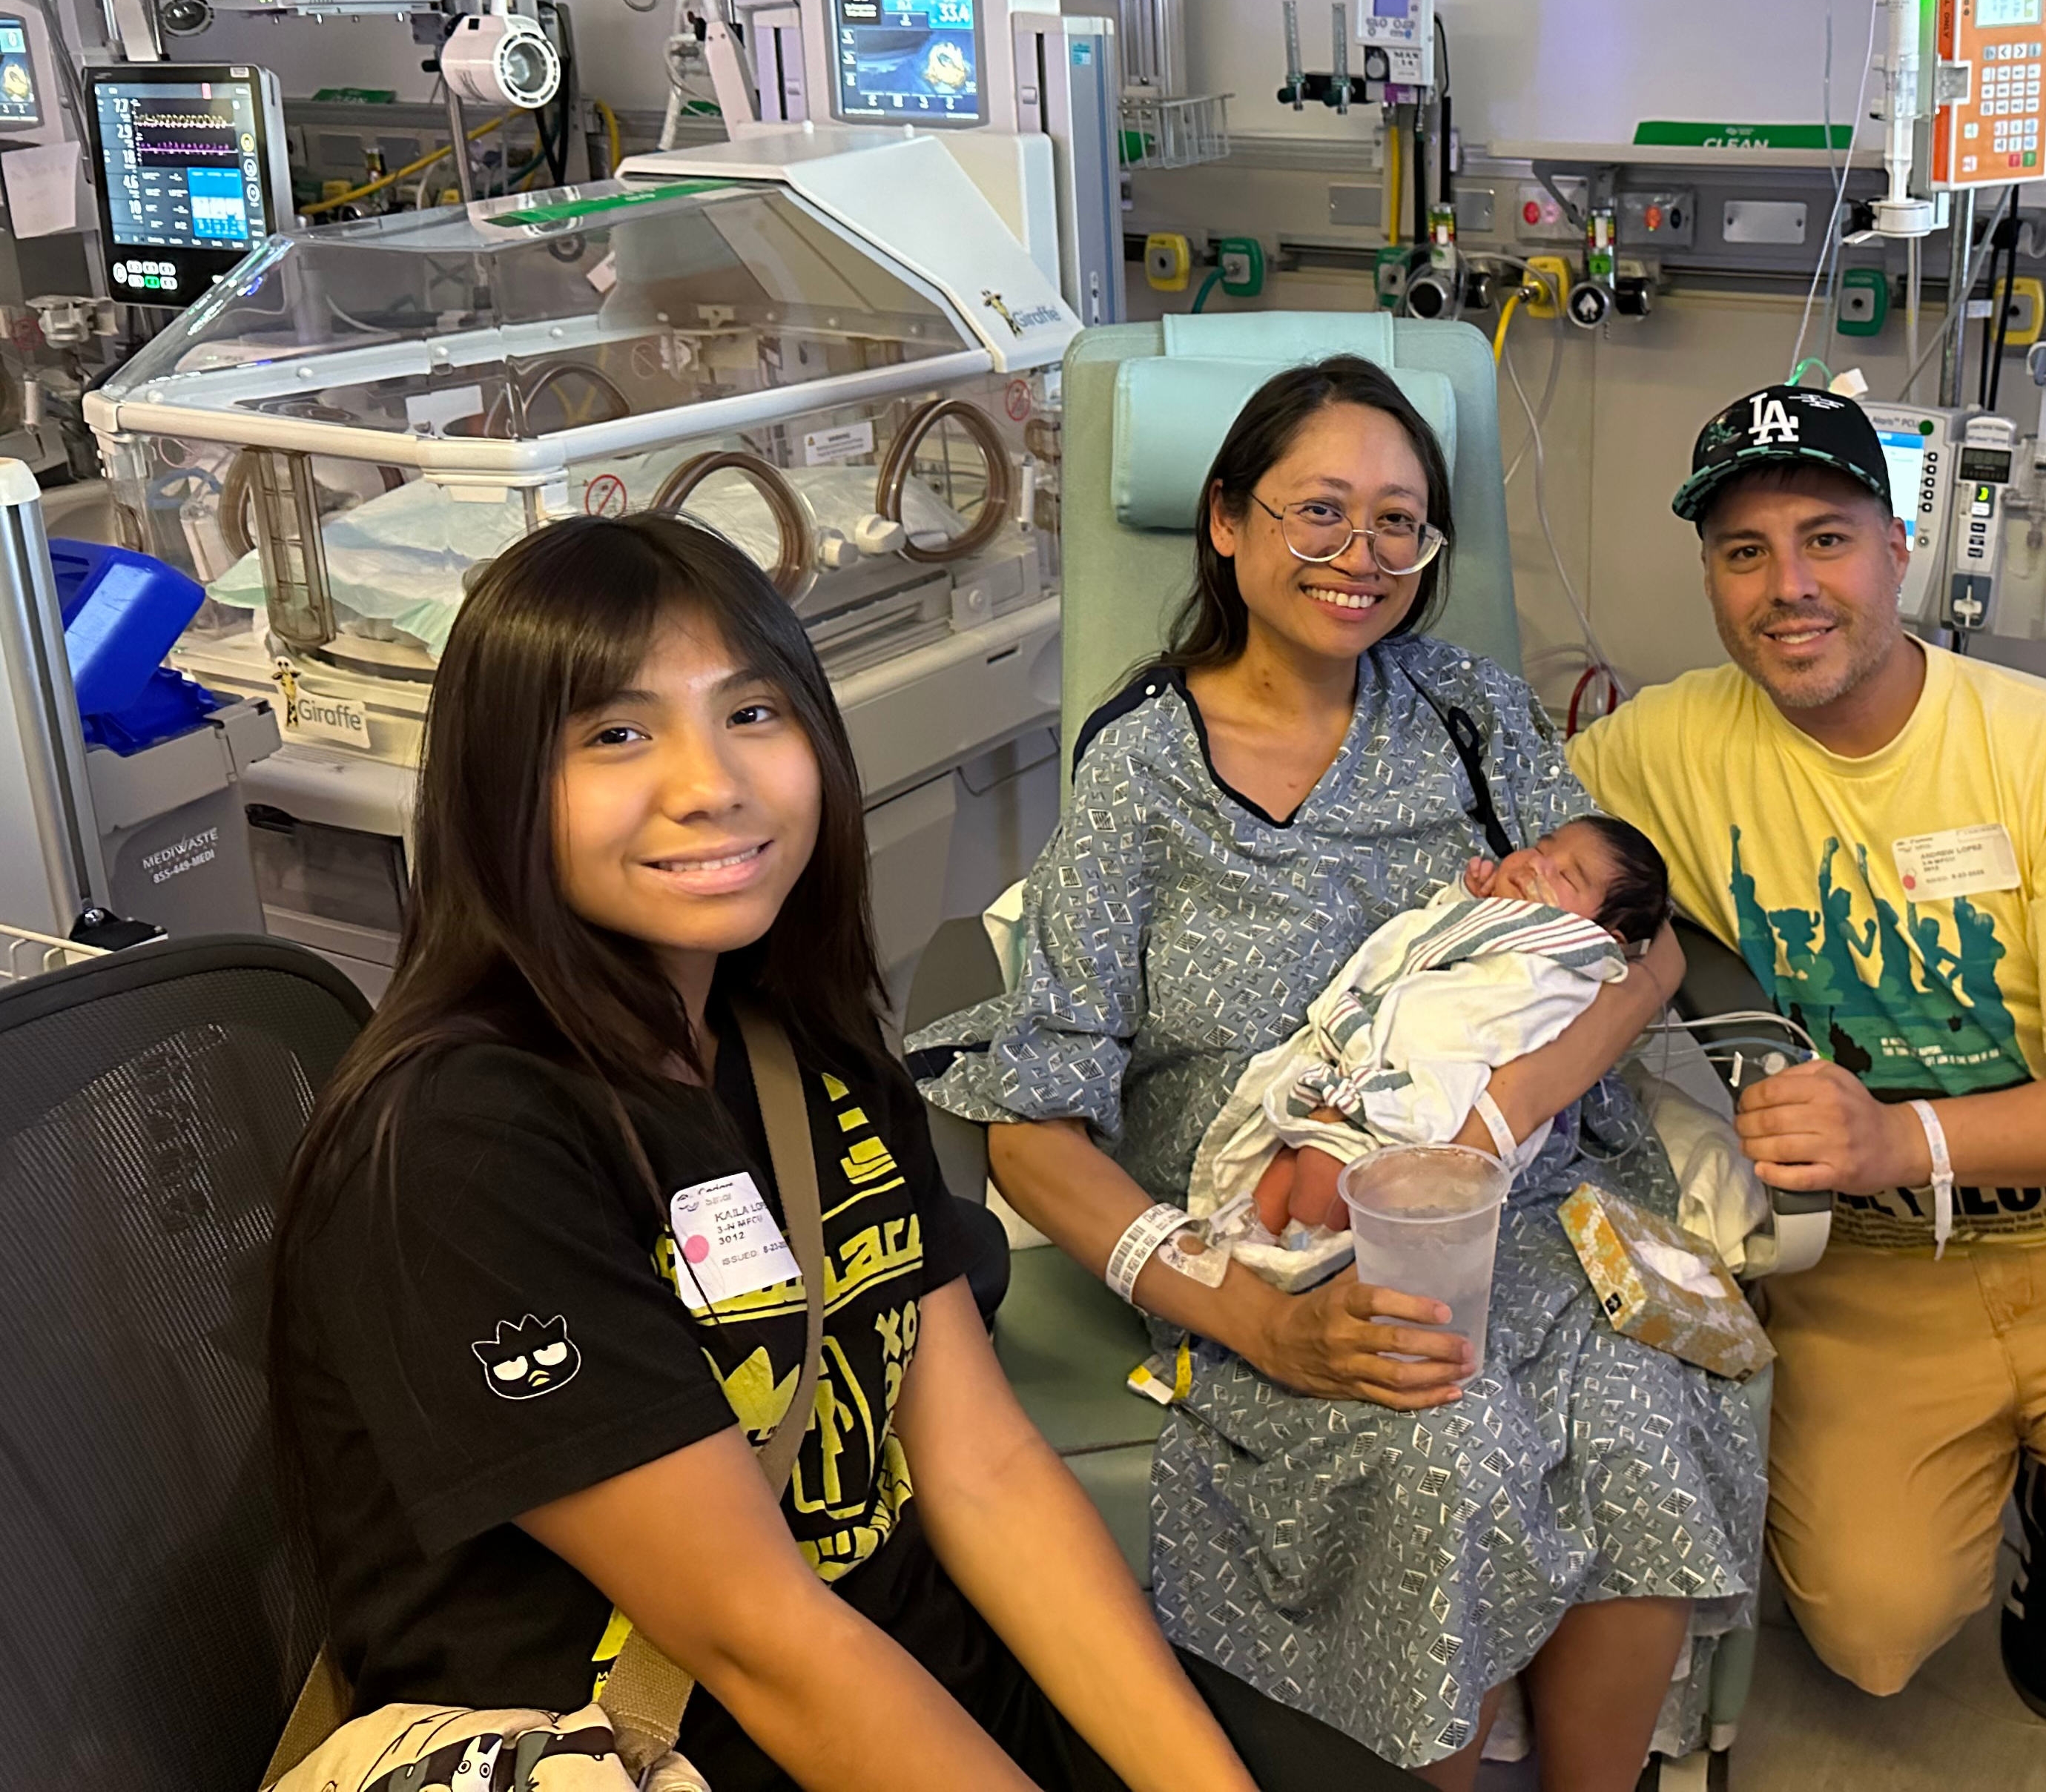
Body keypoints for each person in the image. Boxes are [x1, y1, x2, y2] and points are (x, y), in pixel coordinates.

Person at [268, 512, 1418, 1792]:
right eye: (615, 732)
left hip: (923, 1674)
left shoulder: (797, 1051)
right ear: (500, 786)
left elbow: (980, 1468)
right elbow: (763, 1644)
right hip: (667, 1749)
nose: (712, 782)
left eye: (753, 714)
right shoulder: (462, 1145)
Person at [910, 357, 1763, 1792]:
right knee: (1444, 1447)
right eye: (1318, 510)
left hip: (1526, 1209)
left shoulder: (1473, 717)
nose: (1359, 556)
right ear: (1229, 523)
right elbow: (1031, 1125)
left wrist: (1505, 1114)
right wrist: (1246, 1316)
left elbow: (1649, 949)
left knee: (1637, 1408)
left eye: (1398, 523)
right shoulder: (1143, 771)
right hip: (1277, 1238)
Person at [1569, 384, 2046, 1723]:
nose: (1788, 586)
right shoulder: (1664, 749)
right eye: (1744, 553)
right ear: (1708, 578)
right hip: (1860, 1264)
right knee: (1872, 1635)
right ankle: (2016, 1470)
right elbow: (1500, 825)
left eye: (1826, 539)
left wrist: (1900, 1139)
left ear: (1899, 546)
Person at [1208, 813, 1677, 1254]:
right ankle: (1243, 1252)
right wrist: (1466, 903)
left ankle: (1305, 1253)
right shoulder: (1506, 923)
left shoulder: (1567, 964)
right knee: (1280, 1169)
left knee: (1322, 1173)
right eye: (1540, 847)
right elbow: (1436, 944)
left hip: (1431, 1094)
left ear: (1602, 938)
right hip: (1365, 1063)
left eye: (1567, 878)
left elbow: (1491, 1016)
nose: (1536, 864)